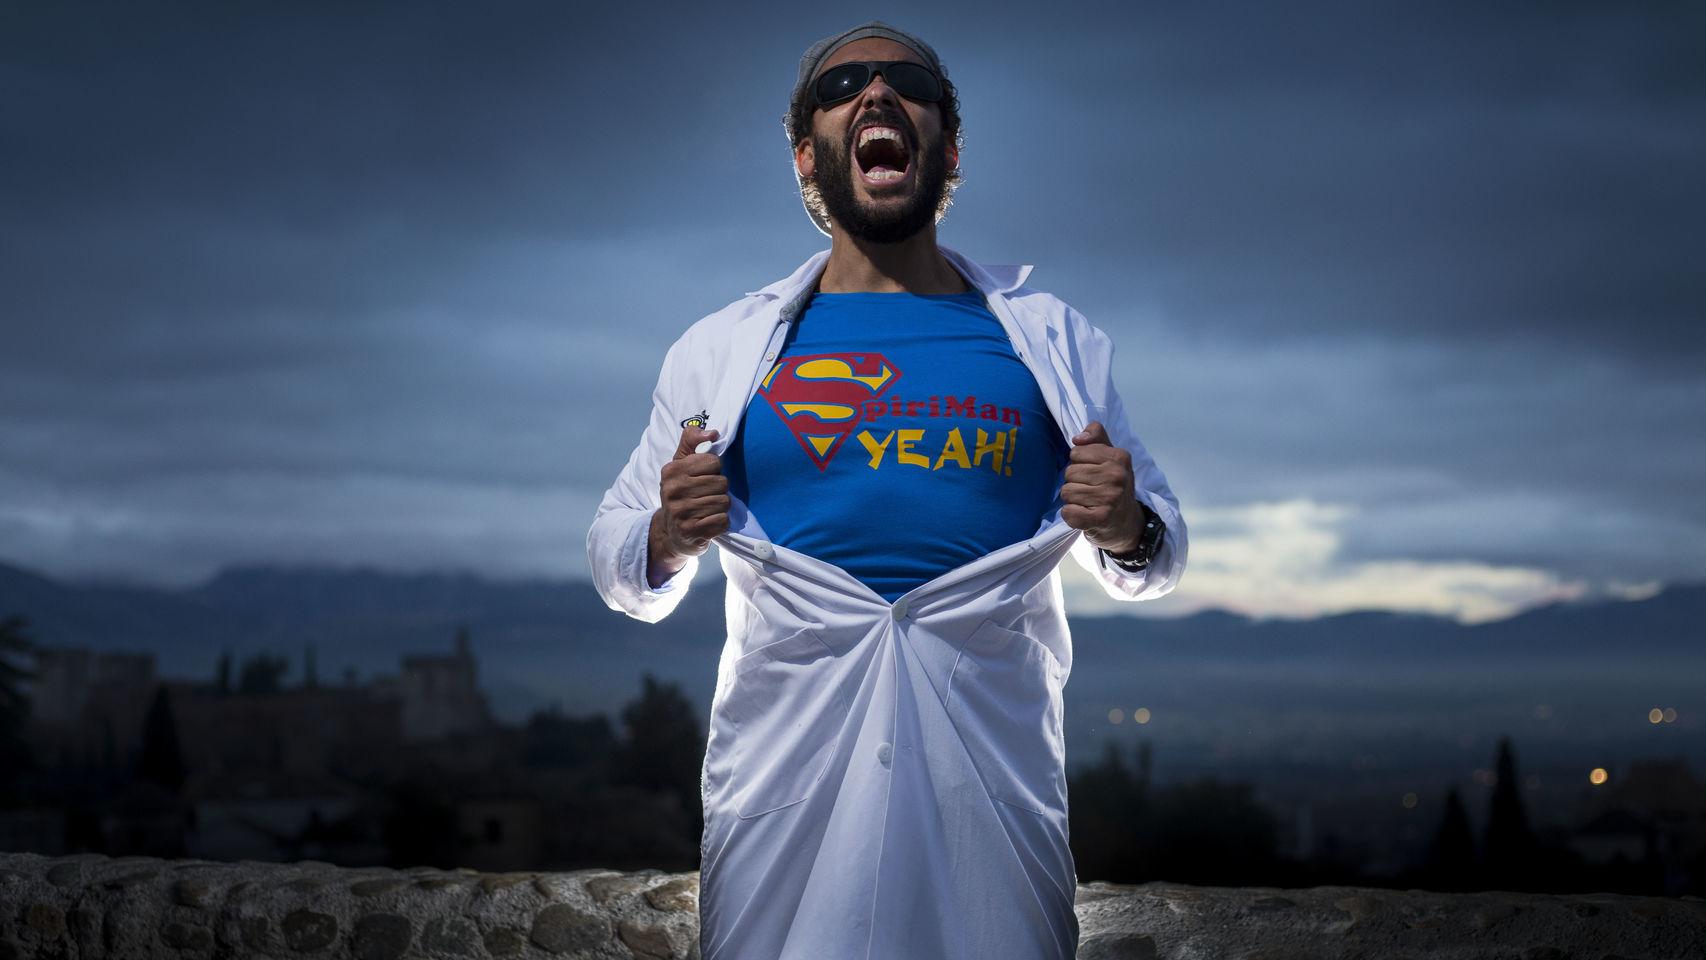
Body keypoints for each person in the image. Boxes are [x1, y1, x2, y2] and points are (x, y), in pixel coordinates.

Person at [587, 20, 1187, 960]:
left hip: (990, 782)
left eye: (905, 80)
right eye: (843, 86)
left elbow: (1156, 550)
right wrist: (665, 535)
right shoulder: (720, 351)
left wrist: (1129, 528)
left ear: (947, 146)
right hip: (788, 787)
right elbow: (616, 558)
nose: (874, 93)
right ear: (805, 156)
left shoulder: (1051, 340)